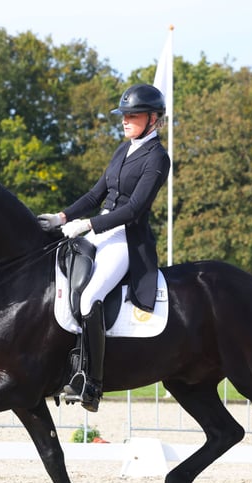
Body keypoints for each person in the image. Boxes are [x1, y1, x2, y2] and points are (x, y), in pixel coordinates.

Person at [37, 83, 171, 412]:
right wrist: (62, 216)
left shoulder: (157, 158)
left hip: (126, 237)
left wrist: (89, 225)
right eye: (123, 115)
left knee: (90, 296)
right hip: (99, 230)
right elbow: (96, 195)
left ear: (153, 119)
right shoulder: (122, 150)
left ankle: (91, 382)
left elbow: (135, 208)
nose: (125, 120)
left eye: (132, 115)